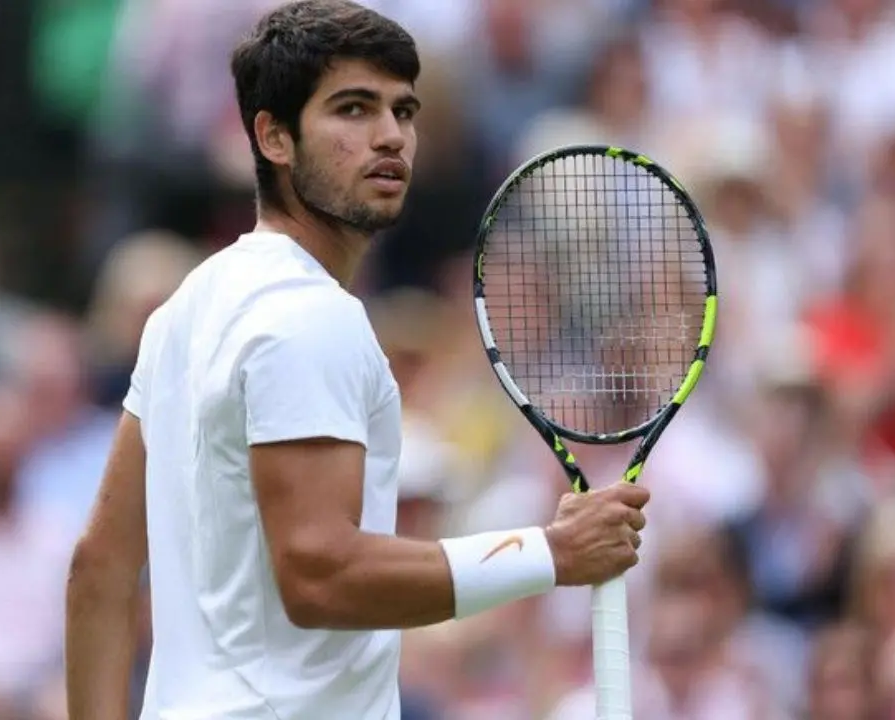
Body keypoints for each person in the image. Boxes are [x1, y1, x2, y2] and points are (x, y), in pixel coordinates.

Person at [63, 2, 649, 719]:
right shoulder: (311, 315)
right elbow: (320, 574)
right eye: (352, 109)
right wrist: (551, 554)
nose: (389, 137)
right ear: (273, 137)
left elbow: (101, 567)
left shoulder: (187, 308)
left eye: (403, 112)